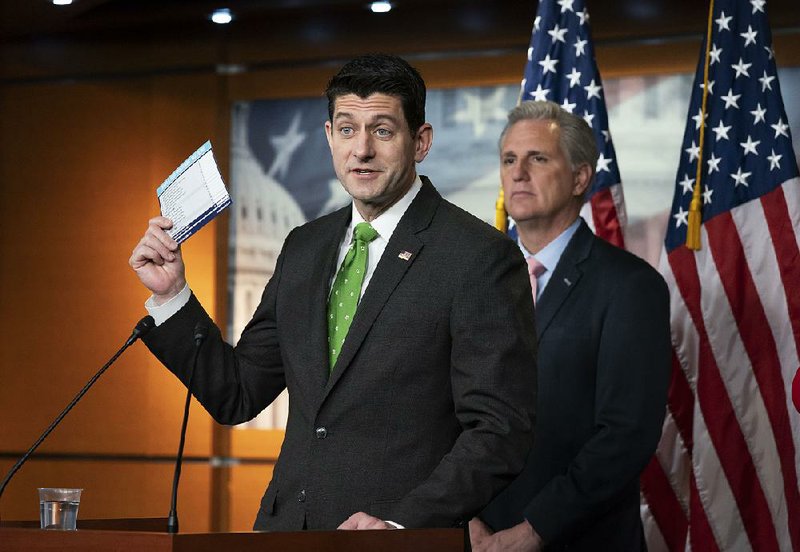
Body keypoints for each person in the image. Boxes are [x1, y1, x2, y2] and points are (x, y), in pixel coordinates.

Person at [129, 53, 538, 532]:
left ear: (420, 141)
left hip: (396, 543)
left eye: (382, 131)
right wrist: (173, 296)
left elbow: (499, 430)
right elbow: (238, 393)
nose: (361, 150)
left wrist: (403, 524)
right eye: (347, 129)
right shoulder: (305, 246)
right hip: (286, 535)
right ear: (328, 137)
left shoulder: (477, 256)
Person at [470, 101, 671, 551]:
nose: (518, 172)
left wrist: (533, 531)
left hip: (580, 540)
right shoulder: (473, 284)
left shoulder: (630, 287)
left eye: (537, 158)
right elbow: (444, 416)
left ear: (580, 177)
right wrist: (466, 521)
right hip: (476, 538)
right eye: (509, 159)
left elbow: (625, 435)